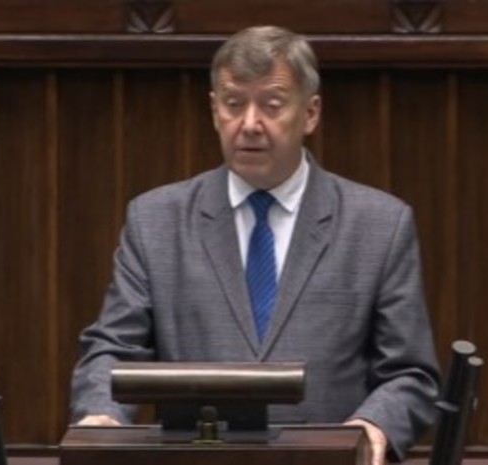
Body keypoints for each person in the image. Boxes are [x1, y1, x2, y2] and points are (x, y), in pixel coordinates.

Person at [70, 25, 440, 464]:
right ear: (214, 111)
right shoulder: (156, 221)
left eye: (272, 105)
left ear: (310, 113)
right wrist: (102, 417)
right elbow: (113, 349)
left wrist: (372, 426)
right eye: (233, 104)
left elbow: (411, 373)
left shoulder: (379, 224)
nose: (249, 124)